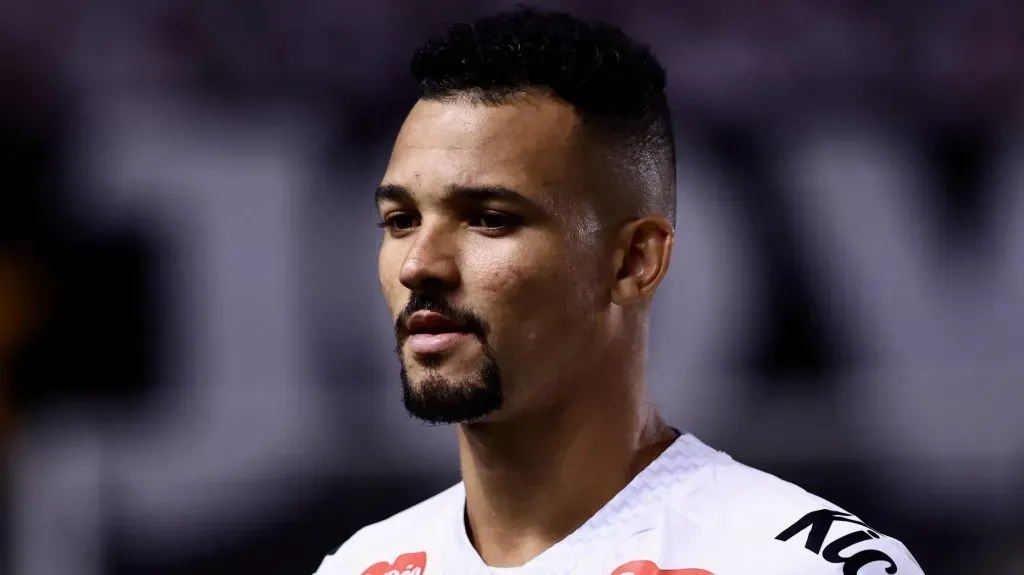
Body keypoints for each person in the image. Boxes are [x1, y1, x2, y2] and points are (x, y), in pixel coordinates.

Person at [314, 7, 925, 575]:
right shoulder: (360, 564)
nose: (419, 264)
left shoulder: (799, 565)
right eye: (401, 221)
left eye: (490, 219)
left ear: (635, 261)